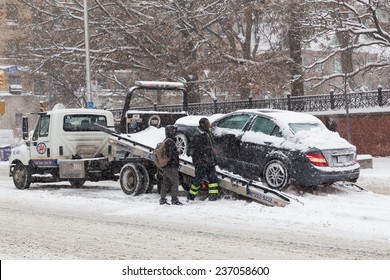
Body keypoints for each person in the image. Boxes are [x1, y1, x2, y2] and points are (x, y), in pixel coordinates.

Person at [187, 117, 219, 201]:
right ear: (202, 124)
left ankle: (213, 196)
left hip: (209, 161)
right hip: (201, 162)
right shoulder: (198, 135)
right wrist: (210, 150)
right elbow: (198, 149)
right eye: (207, 123)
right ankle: (191, 196)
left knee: (213, 179)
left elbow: (211, 144)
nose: (209, 125)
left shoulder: (208, 133)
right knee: (198, 180)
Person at [160, 125, 182, 205]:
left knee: (165, 183)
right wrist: (177, 152)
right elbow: (171, 154)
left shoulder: (166, 140)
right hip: (172, 165)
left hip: (166, 166)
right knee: (175, 183)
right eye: (174, 131)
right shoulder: (170, 141)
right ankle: (174, 199)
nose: (175, 132)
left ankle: (162, 199)